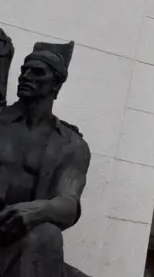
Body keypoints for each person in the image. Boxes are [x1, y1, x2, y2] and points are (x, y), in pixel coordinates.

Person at [0, 28, 91, 277]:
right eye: (24, 70)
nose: (25, 76)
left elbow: (68, 203)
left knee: (46, 234)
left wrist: (34, 211)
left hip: (20, 239)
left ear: (56, 83)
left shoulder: (71, 144)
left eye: (37, 72)